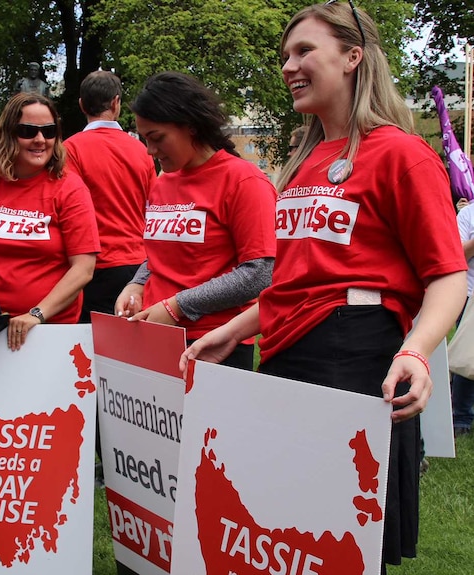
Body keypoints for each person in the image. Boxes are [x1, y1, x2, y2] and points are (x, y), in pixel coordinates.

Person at [180, 3, 468, 569]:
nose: (289, 66)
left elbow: (448, 275)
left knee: (344, 544)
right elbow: (294, 283)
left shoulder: (402, 154)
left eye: (304, 51)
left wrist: (417, 351)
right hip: (288, 358)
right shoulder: (305, 162)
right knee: (289, 538)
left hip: (357, 357)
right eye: (285, 55)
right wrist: (231, 333)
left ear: (353, 56)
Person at [115, 71, 277, 371]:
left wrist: (176, 307)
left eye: (157, 138)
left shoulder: (244, 181)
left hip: (214, 345)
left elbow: (258, 274)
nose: (150, 150)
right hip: (157, 336)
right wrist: (137, 284)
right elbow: (161, 255)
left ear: (190, 126)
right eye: (144, 139)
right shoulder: (163, 181)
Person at [0, 92, 99, 351]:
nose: (40, 139)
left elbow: (83, 268)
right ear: (9, 133)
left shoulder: (70, 189)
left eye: (49, 131)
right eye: (28, 131)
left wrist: (36, 314)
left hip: (50, 332)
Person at [64, 71, 157, 323]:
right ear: (116, 103)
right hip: (138, 265)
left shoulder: (69, 150)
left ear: (82, 105)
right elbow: (154, 209)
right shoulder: (143, 150)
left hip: (94, 266)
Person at [452, 202, 474, 437]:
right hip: (468, 295)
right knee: (468, 358)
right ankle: (461, 417)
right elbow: (456, 255)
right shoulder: (468, 214)